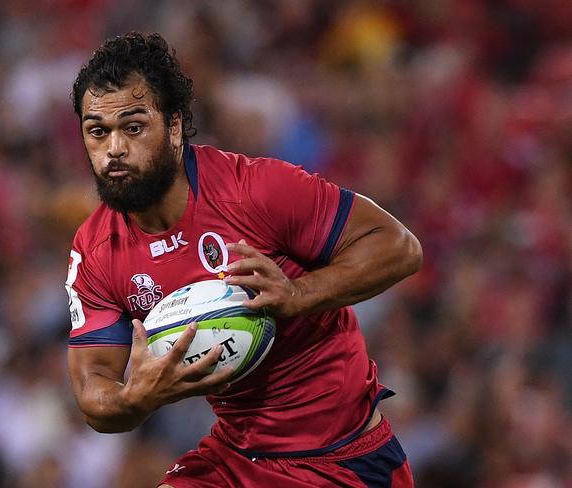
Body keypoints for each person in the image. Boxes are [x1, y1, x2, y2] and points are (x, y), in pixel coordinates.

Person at [66, 32, 422, 488]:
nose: (114, 148)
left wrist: (298, 294)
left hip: (342, 460)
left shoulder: (255, 190)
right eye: (97, 131)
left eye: (133, 127)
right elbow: (93, 389)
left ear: (174, 126)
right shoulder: (95, 251)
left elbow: (399, 246)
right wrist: (136, 397)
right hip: (239, 460)